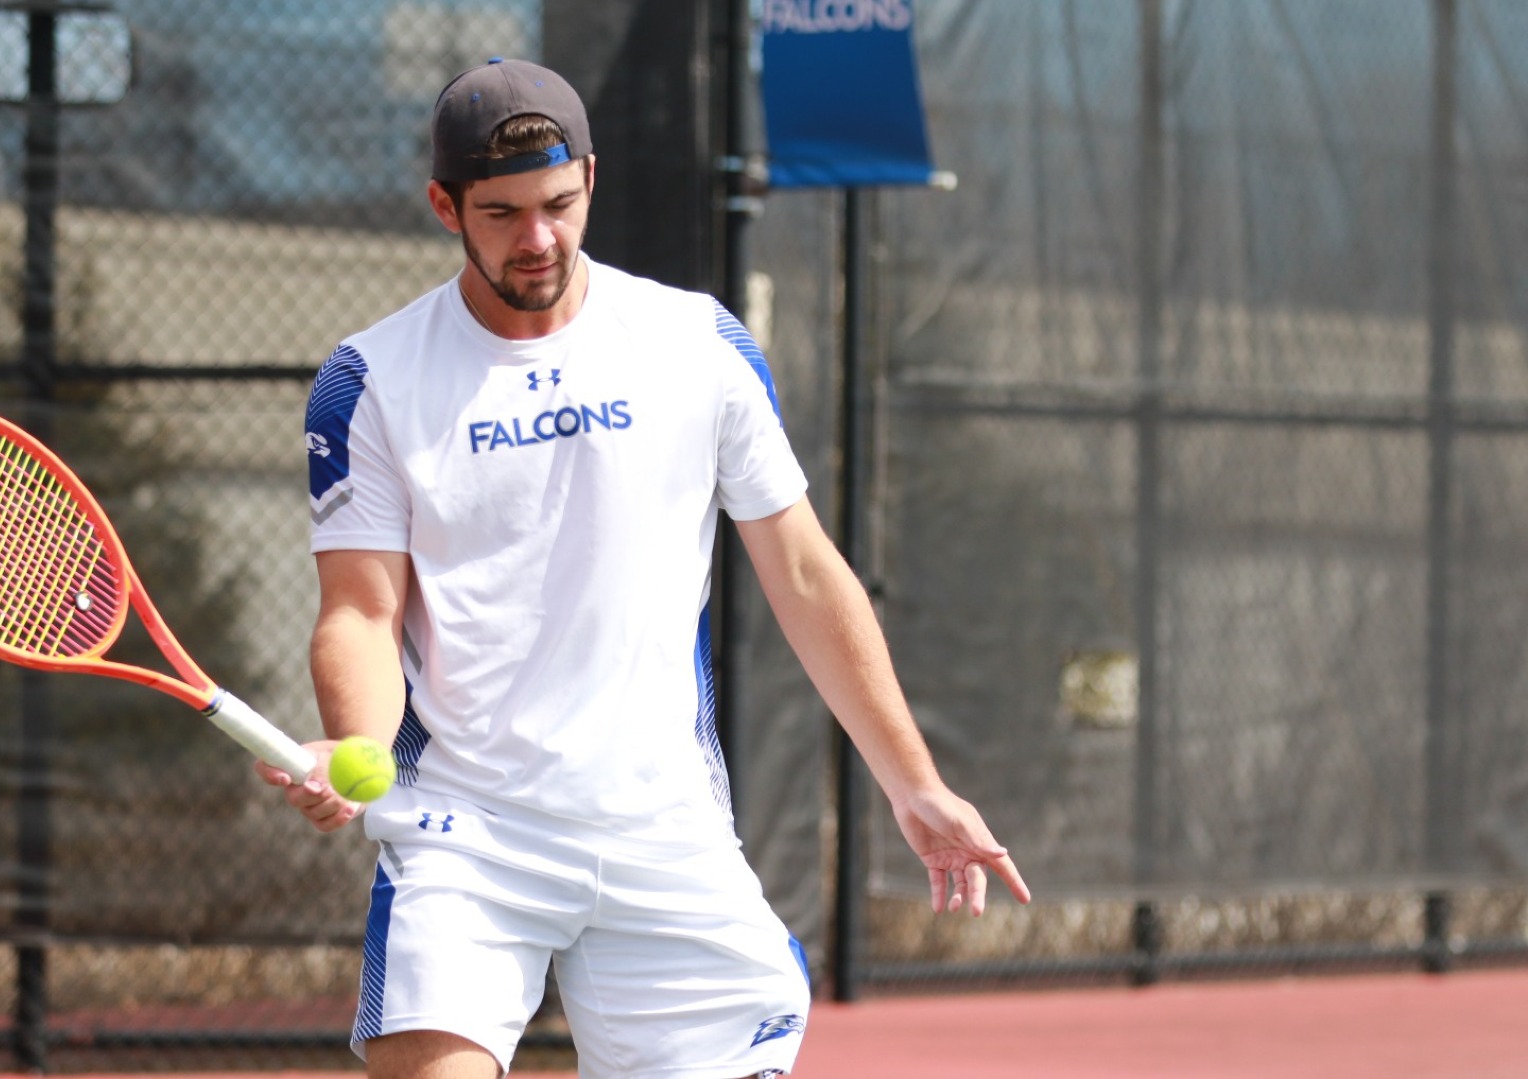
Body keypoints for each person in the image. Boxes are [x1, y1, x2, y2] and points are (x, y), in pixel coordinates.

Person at [259, 57, 1029, 1079]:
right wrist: (355, 747)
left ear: (591, 178)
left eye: (558, 204)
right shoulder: (372, 380)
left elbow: (803, 572)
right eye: (501, 213)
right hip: (467, 830)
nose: (537, 238)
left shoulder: (696, 343)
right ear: (445, 205)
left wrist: (914, 784)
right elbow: (360, 611)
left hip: (662, 825)